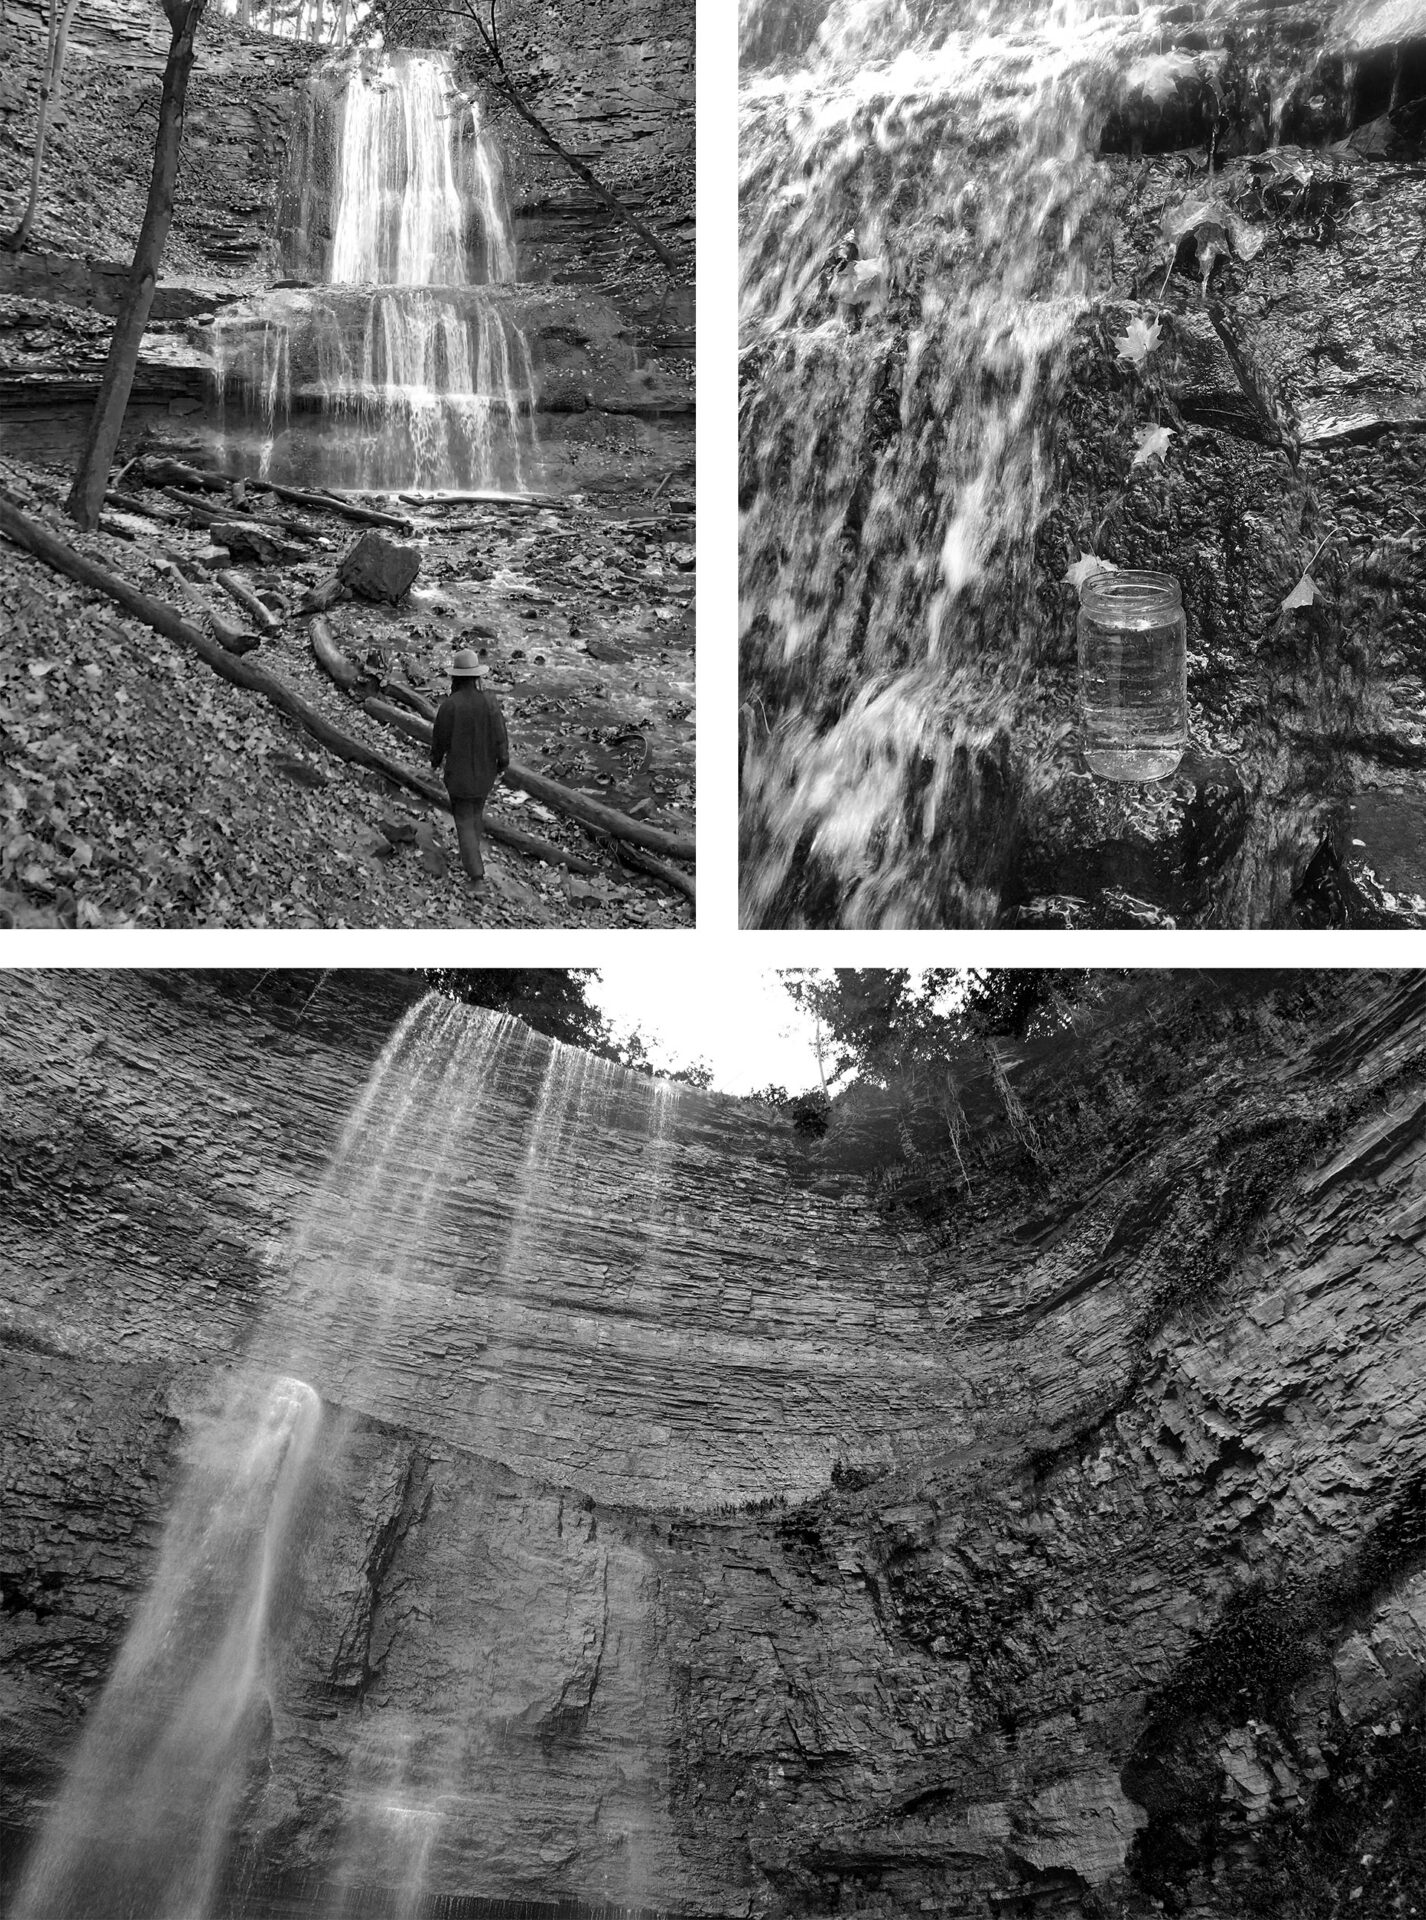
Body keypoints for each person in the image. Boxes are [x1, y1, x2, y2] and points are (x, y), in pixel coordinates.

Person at [430, 648, 510, 898]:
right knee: (475, 815)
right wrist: (503, 763)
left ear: (455, 677)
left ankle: (476, 877)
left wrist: (434, 763)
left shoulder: (449, 706)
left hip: (459, 776)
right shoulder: (490, 702)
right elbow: (501, 736)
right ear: (476, 676)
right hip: (485, 774)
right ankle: (472, 853)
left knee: (464, 820)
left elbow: (439, 740)